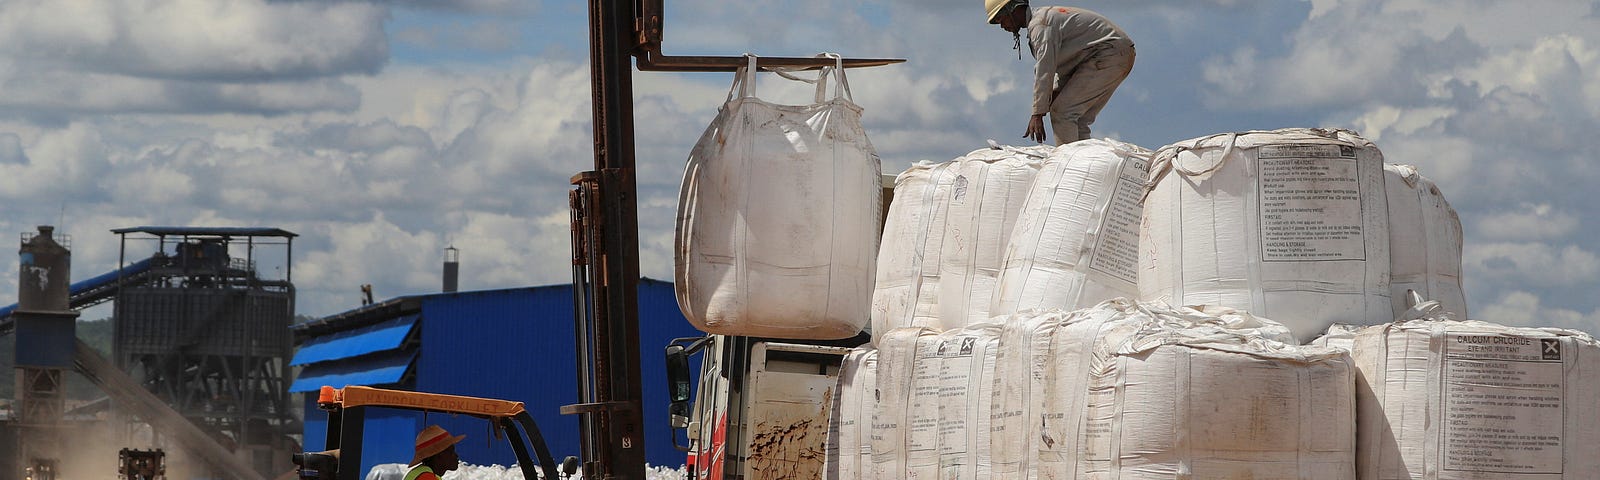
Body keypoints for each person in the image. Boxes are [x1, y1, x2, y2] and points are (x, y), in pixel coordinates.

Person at [987, 1, 1135, 145]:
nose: (1001, 25)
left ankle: (1069, 166)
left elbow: (1045, 69)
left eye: (1001, 19)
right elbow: (1070, 65)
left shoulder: (1041, 25)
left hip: (1110, 52)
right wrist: (1055, 93)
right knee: (1077, 118)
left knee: (1063, 112)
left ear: (1013, 9)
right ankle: (1080, 164)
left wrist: (1037, 113)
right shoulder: (1042, 21)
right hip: (1111, 53)